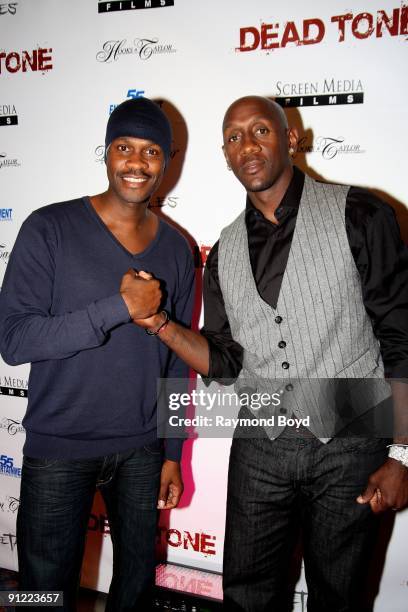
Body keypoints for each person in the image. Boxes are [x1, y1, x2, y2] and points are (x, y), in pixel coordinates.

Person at [134, 96, 408, 611]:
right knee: (247, 593)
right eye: (234, 137)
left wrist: (402, 453)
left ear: (291, 139)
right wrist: (161, 325)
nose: (247, 145)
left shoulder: (361, 213)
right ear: (225, 154)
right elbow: (225, 359)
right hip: (261, 440)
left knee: (341, 595)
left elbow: (401, 336)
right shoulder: (224, 250)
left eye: (260, 130)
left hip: (352, 436)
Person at [0, 97, 195, 611]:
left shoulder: (178, 249)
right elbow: (14, 340)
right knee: (42, 591)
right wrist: (118, 307)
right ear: (106, 153)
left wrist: (172, 452)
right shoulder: (50, 228)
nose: (136, 163)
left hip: (141, 452)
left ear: (167, 161)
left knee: (135, 585)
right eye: (123, 147)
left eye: (151, 151)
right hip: (58, 447)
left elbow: (178, 362)